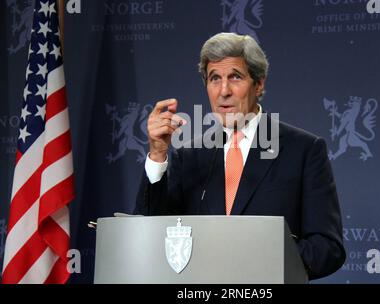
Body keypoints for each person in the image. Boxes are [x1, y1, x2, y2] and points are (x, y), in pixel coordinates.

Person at [134, 32, 346, 279]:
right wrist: (158, 154)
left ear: (259, 84)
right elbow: (150, 234)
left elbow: (327, 246)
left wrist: (262, 264)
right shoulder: (188, 156)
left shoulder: (303, 150)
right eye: (215, 78)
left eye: (235, 77)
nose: (224, 91)